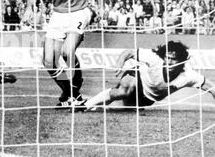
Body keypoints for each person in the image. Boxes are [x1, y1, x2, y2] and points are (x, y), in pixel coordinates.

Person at [80, 41, 215, 111]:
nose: (169, 62)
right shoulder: (155, 58)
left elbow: (211, 87)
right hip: (137, 76)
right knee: (123, 91)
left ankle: (96, 106)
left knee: (122, 107)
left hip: (147, 99)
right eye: (168, 58)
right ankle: (84, 106)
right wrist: (120, 63)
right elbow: (129, 52)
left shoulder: (189, 75)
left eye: (174, 59)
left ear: (182, 61)